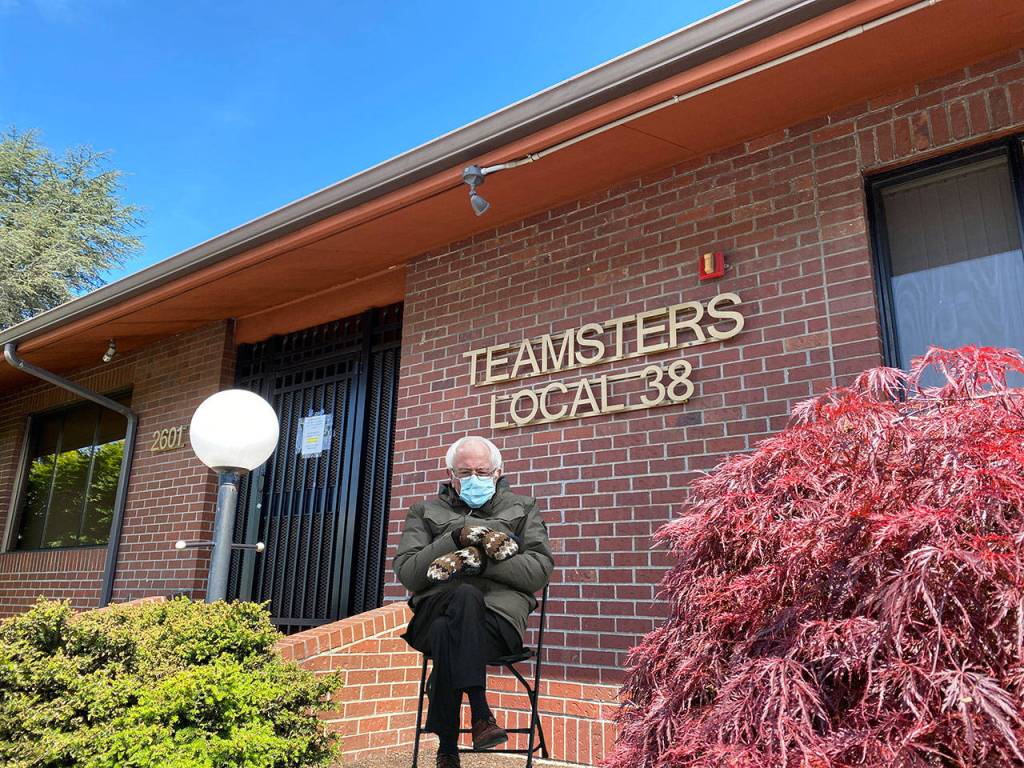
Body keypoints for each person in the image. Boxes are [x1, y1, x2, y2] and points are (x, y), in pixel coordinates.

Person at [394, 435, 554, 768]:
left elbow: (538, 572)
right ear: (450, 473)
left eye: (482, 471)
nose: (474, 479)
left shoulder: (523, 508)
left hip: (496, 623)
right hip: (432, 609)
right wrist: (454, 538)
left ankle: (447, 749)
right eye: (465, 472)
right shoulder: (424, 511)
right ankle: (481, 712)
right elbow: (409, 574)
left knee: (446, 631)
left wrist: (481, 562)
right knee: (459, 601)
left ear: (498, 471)